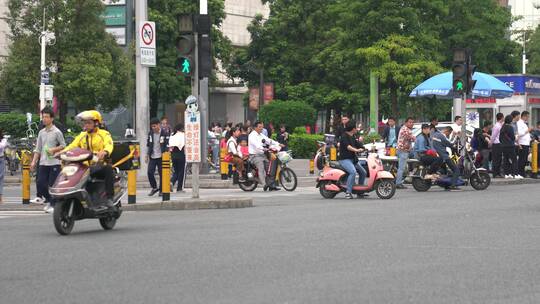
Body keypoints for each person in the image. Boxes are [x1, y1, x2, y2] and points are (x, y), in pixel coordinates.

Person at [62, 110, 115, 207]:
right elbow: (72, 146)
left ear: (96, 123)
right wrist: (61, 153)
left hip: (98, 166)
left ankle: (109, 198)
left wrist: (105, 151)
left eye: (89, 123)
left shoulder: (103, 134)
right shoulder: (82, 135)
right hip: (84, 168)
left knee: (108, 169)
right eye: (85, 123)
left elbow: (109, 144)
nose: (86, 125)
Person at [30, 107, 66, 213]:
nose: (44, 119)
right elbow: (38, 148)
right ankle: (49, 200)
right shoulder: (41, 132)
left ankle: (53, 204)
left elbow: (63, 145)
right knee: (41, 183)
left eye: (46, 117)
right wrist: (33, 161)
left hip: (54, 163)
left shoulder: (57, 132)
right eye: (43, 117)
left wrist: (54, 149)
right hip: (43, 162)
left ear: (52, 118)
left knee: (52, 185)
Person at [248, 121, 281, 191]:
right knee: (261, 168)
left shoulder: (261, 135)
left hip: (262, 154)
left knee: (270, 168)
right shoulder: (252, 135)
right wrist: (263, 148)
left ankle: (271, 184)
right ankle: (264, 184)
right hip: (255, 156)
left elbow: (268, 140)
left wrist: (278, 144)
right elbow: (256, 145)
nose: (261, 128)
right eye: (260, 127)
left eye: (262, 127)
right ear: (255, 127)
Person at [338, 121, 367, 199]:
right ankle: (348, 192)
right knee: (353, 172)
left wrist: (364, 148)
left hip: (353, 159)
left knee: (363, 172)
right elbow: (348, 147)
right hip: (344, 159)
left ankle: (360, 192)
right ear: (353, 129)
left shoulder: (353, 136)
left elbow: (358, 144)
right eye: (356, 127)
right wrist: (356, 150)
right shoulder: (344, 136)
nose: (357, 129)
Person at [146, 118, 169, 196]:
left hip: (161, 156)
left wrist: (165, 153)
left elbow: (167, 144)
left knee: (162, 173)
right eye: (152, 127)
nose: (153, 128)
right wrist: (147, 154)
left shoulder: (164, 133)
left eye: (154, 126)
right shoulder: (150, 133)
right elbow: (148, 144)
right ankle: (154, 187)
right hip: (153, 156)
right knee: (149, 172)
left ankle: (161, 190)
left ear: (159, 125)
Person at [395, 117, 416, 189]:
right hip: (403, 151)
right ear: (406, 123)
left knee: (414, 157)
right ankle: (398, 183)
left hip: (406, 150)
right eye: (410, 122)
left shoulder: (406, 129)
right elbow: (413, 138)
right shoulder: (405, 130)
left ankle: (411, 172)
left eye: (413, 122)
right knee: (401, 168)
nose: (412, 124)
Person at [168, 123, 186, 193]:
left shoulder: (172, 134)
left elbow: (170, 145)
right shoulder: (182, 135)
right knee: (181, 171)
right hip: (180, 154)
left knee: (176, 171)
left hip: (173, 155)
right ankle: (179, 188)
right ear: (181, 129)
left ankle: (171, 182)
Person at [516, 111, 531, 178]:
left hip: (526, 143)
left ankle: (522, 172)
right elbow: (520, 133)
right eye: (527, 116)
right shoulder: (519, 123)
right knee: (522, 159)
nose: (528, 118)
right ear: (524, 116)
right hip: (522, 143)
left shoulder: (524, 123)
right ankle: (520, 172)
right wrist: (528, 130)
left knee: (524, 159)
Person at [490, 113, 505, 178]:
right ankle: (495, 173)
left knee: (499, 159)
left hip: (500, 144)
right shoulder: (497, 126)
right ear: (501, 118)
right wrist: (491, 143)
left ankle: (498, 172)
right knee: (496, 159)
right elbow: (493, 136)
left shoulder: (500, 125)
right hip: (496, 144)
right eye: (503, 117)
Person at [0, 129, 6, 203]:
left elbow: (1, 146)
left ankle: (0, 197)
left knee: (0, 178)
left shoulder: (3, 140)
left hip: (1, 159)